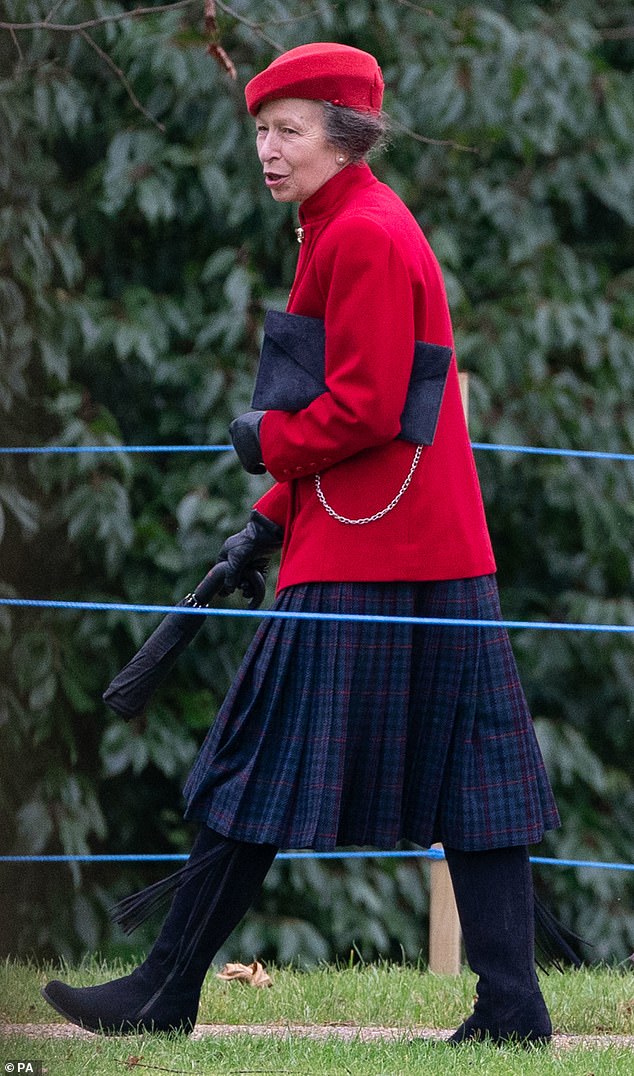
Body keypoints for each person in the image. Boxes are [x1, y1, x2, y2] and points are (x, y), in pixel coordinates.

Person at [42, 42, 566, 1044]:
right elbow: (383, 403)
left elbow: (365, 404)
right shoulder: (347, 223)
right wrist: (267, 524)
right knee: (473, 780)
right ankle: (512, 1007)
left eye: (288, 128)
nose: (267, 149)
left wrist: (266, 445)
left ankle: (163, 991)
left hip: (373, 557)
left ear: (346, 131)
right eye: (259, 130)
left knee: (252, 765)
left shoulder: (363, 233)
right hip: (417, 548)